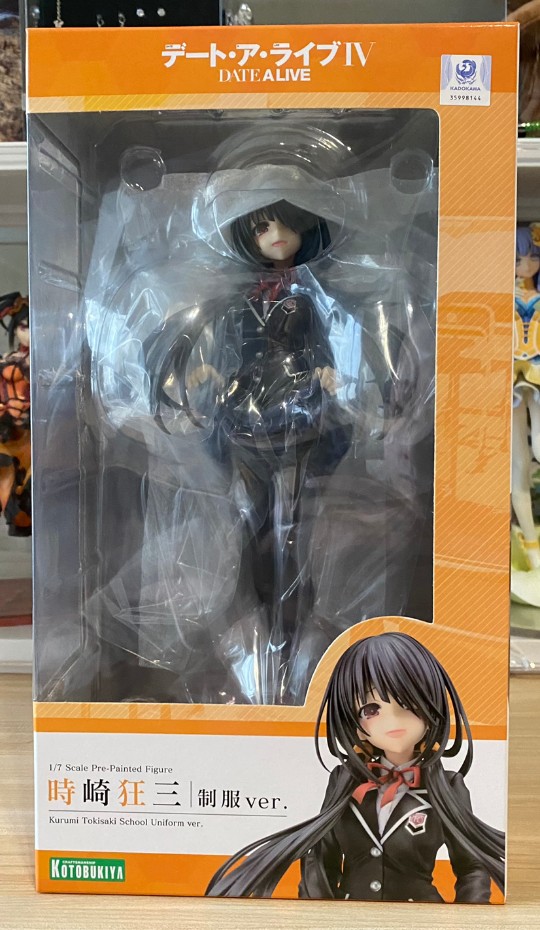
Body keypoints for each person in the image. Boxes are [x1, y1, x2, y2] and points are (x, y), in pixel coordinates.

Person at [206, 631, 505, 902]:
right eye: (371, 709)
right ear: (355, 722)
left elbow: (471, 868)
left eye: (409, 703)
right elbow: (321, 859)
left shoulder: (447, 787)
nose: (392, 721)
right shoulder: (344, 781)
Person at [513, 224, 540, 568]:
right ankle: (531, 543)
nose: (527, 264)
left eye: (533, 257)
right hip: (509, 379)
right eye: (518, 259)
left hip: (536, 372)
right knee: (518, 462)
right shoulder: (503, 296)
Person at [0, 292, 31, 536]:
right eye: (24, 327)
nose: (29, 333)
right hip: (9, 430)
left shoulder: (48, 361)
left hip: (35, 432)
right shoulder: (9, 360)